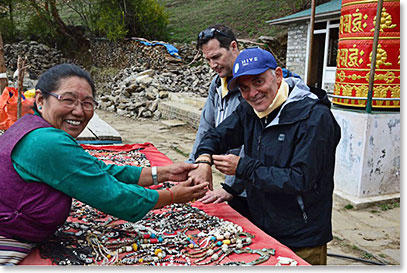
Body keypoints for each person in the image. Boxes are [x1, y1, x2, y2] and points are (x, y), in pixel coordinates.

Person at [0, 63, 208, 265]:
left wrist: (163, 173)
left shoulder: (31, 126)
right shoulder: (47, 142)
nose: (79, 111)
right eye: (68, 100)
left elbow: (99, 170)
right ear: (40, 100)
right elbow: (112, 195)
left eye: (87, 103)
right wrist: (173, 196)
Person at [190, 48, 341, 265]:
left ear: (278, 76)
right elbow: (216, 135)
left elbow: (301, 179)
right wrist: (204, 160)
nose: (252, 93)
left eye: (258, 82)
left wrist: (244, 168)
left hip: (301, 235)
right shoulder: (250, 110)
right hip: (262, 225)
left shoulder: (316, 118)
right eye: (244, 88)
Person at [188, 24, 251, 219]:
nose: (213, 65)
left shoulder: (253, 88)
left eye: (216, 57)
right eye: (208, 60)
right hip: (232, 181)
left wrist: (231, 188)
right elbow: (206, 128)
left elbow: (254, 142)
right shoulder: (217, 85)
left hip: (252, 184)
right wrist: (194, 165)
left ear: (233, 47)